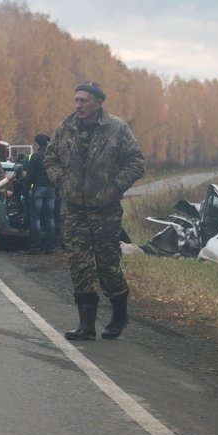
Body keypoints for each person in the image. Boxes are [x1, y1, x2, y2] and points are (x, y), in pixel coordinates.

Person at [43, 81, 145, 340]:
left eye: (83, 100)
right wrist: (62, 182)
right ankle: (86, 326)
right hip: (75, 210)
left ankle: (119, 315)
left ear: (99, 102)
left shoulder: (117, 128)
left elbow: (136, 162)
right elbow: (50, 158)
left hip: (106, 211)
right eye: (76, 100)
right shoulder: (65, 128)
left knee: (108, 268)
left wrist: (114, 187)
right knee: (79, 266)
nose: (78, 105)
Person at [26, 134, 56, 254]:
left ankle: (35, 246)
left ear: (37, 144)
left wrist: (26, 189)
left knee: (36, 219)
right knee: (50, 219)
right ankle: (50, 247)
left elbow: (30, 176)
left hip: (38, 189)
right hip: (51, 189)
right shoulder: (52, 156)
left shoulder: (35, 157)